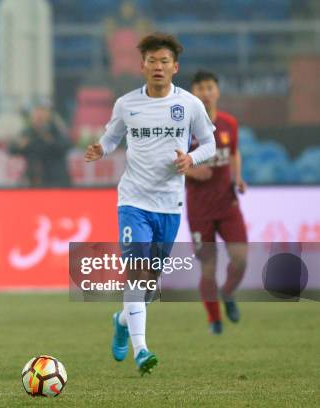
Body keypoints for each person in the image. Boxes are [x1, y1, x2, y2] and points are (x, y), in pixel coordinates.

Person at [84, 33, 216, 375]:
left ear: (175, 67)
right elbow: (111, 138)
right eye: (152, 61)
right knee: (137, 272)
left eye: (164, 61)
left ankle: (121, 321)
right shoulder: (126, 104)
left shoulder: (189, 105)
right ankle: (141, 350)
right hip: (133, 201)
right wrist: (100, 149)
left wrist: (191, 158)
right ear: (142, 66)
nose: (158, 67)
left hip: (169, 204)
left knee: (149, 282)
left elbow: (211, 144)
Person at [186, 70, 248, 335]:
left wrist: (238, 177)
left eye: (210, 87)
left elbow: (233, 153)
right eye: (200, 88)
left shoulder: (229, 123)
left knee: (241, 258)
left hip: (227, 204)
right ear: (192, 94)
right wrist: (191, 170)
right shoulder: (184, 127)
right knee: (208, 267)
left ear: (217, 91)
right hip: (199, 208)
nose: (206, 92)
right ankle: (215, 321)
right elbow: (168, 161)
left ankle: (228, 292)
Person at [10, 102, 71, 187]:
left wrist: (49, 140)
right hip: (34, 180)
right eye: (36, 115)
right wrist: (20, 145)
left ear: (48, 116)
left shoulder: (55, 131)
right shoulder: (28, 133)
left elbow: (65, 147)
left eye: (42, 115)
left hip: (56, 180)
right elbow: (12, 149)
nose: (39, 118)